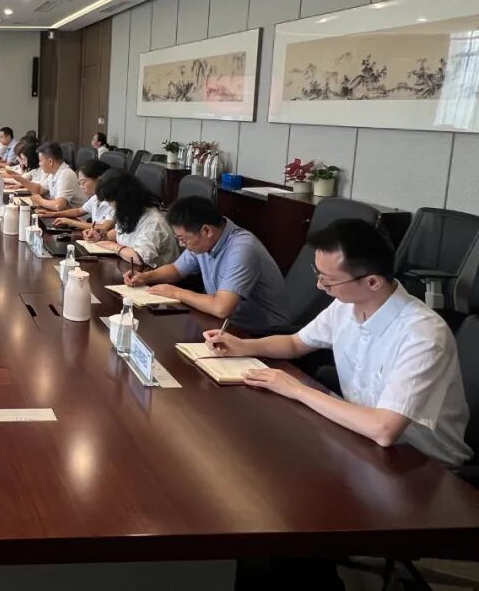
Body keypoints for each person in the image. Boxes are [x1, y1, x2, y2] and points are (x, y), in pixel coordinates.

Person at [205, 220, 471, 466]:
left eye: (328, 280)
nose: (320, 286)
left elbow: (384, 429)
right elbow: (296, 343)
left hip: (424, 466)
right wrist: (242, 346)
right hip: (359, 442)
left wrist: (297, 390)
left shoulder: (422, 334)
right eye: (318, 274)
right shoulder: (347, 305)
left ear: (372, 282)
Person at [125, 196, 288, 331]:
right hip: (222, 323)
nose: (182, 244)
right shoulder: (203, 241)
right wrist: (145, 277)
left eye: (183, 239)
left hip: (261, 333)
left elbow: (221, 308)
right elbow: (176, 270)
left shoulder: (242, 249)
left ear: (207, 230)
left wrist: (176, 293)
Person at [95, 171, 179, 266]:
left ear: (124, 200)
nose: (110, 206)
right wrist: (101, 236)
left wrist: (113, 247)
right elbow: (123, 233)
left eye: (111, 202)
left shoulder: (154, 221)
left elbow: (139, 258)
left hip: (153, 272)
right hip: (132, 268)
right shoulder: (131, 213)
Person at [36, 159, 115, 235]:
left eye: (83, 182)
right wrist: (52, 214)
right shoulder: (95, 198)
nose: (81, 187)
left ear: (99, 180)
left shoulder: (113, 203)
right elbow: (79, 211)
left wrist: (72, 222)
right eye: (80, 183)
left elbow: (104, 227)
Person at [27, 142, 85, 211]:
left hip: (78, 216)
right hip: (63, 214)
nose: (39, 164)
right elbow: (39, 189)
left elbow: (58, 205)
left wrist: (40, 201)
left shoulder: (66, 174)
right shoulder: (53, 173)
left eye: (40, 161)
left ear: (50, 161)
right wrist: (19, 179)